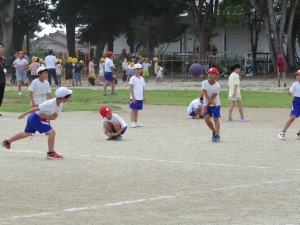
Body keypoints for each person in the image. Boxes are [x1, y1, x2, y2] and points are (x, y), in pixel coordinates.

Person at [1, 87, 73, 159]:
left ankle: (7, 142)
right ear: (63, 98)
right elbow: (36, 108)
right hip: (35, 118)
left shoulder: (60, 105)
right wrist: (24, 114)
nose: (68, 99)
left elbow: (54, 117)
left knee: (26, 134)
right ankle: (51, 153)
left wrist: (46, 116)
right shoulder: (50, 103)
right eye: (68, 97)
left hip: (35, 118)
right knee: (52, 132)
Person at [278, 69, 300, 140]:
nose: (298, 77)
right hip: (296, 102)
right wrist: (288, 91)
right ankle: (282, 132)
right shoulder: (295, 84)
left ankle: (298, 134)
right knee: (292, 118)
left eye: (299, 75)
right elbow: (290, 93)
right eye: (297, 75)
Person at [202, 67, 221, 142]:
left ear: (216, 75)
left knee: (216, 119)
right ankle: (214, 131)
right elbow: (206, 94)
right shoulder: (204, 83)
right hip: (206, 103)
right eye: (209, 74)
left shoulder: (217, 86)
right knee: (206, 119)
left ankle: (217, 134)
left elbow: (213, 97)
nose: (210, 75)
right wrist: (206, 106)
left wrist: (208, 105)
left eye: (213, 74)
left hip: (215, 104)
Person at [129, 63, 146, 128]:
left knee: (137, 109)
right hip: (134, 97)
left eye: (140, 69)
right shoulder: (132, 78)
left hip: (140, 97)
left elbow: (143, 87)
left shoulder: (142, 78)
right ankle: (132, 122)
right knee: (133, 109)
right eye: (137, 69)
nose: (139, 71)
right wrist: (133, 97)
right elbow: (131, 87)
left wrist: (144, 96)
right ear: (134, 70)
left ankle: (136, 121)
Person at [0, 42, 6, 116]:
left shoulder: (3, 59)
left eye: (1, 47)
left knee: (1, 96)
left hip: (2, 80)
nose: (0, 49)